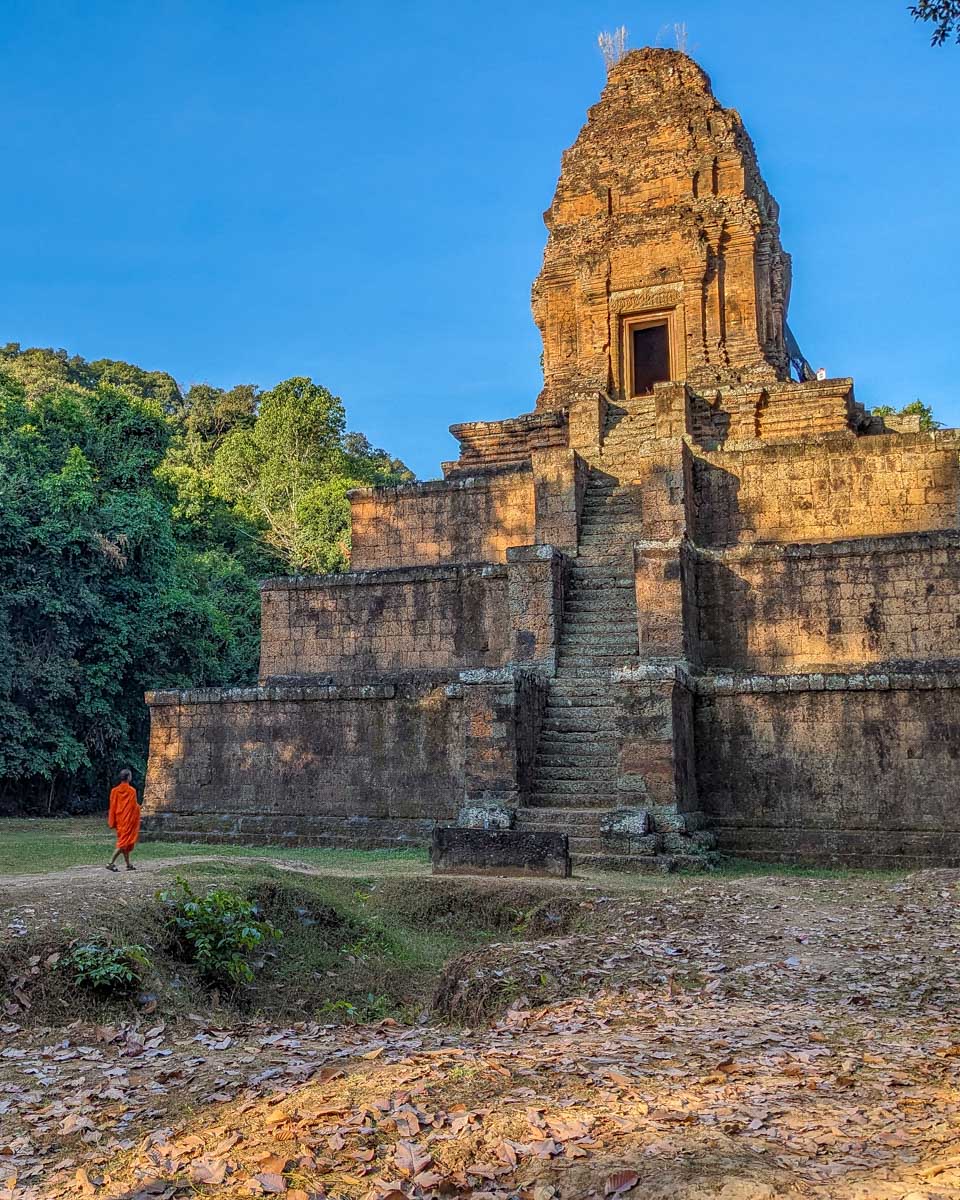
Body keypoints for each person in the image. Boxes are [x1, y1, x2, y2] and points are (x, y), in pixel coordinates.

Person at [106, 769, 141, 872]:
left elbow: (112, 806)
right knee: (123, 843)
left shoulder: (114, 791)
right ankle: (110, 863)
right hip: (128, 820)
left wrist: (112, 820)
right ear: (128, 777)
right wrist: (139, 809)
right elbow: (133, 807)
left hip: (119, 819)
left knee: (125, 842)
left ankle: (128, 864)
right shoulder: (132, 791)